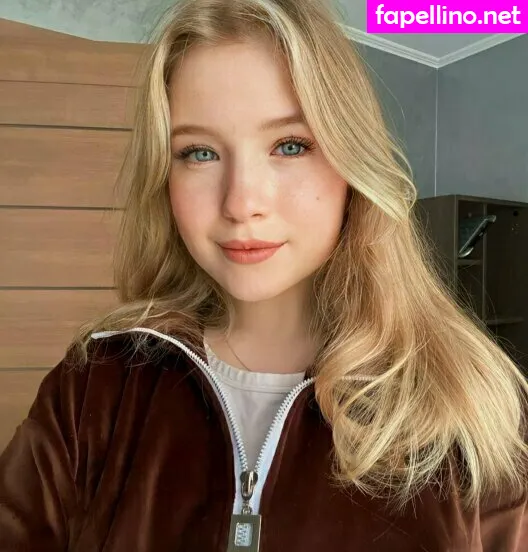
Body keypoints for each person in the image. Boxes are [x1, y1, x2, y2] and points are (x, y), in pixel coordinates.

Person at [1, 0, 527, 550]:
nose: (241, 202)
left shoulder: (468, 412)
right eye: (199, 152)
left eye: (290, 146)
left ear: (353, 161)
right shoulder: (94, 388)